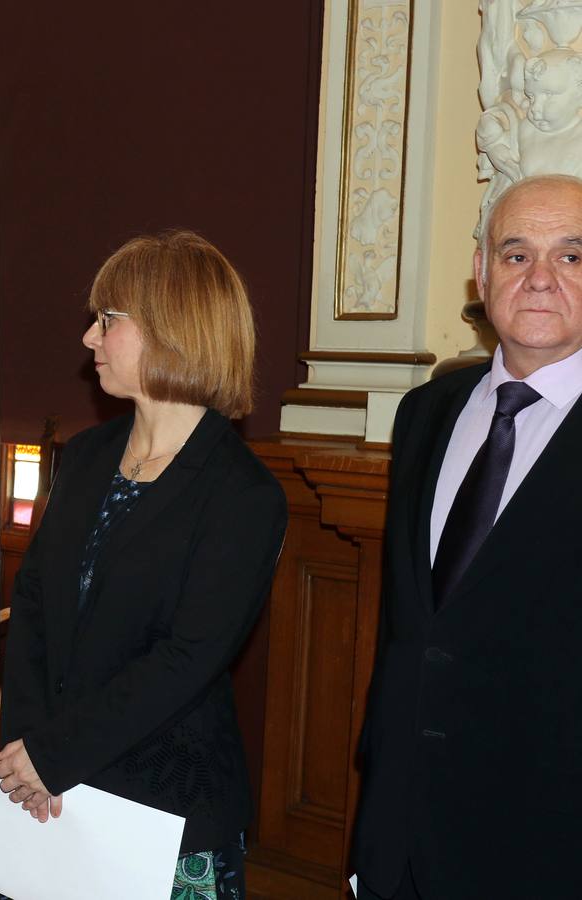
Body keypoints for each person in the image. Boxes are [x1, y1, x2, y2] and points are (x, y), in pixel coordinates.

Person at [0, 231, 287, 900]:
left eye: (107, 320)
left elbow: (187, 659)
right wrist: (25, 754)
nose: (90, 339)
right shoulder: (87, 455)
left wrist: (56, 755)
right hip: (44, 791)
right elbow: (35, 604)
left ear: (172, 328)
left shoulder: (242, 494)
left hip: (162, 801)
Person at [352, 173, 582, 899]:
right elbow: (407, 627)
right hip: (401, 833)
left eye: (573, 256)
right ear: (481, 273)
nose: (541, 278)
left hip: (548, 845)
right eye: (516, 254)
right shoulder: (425, 412)